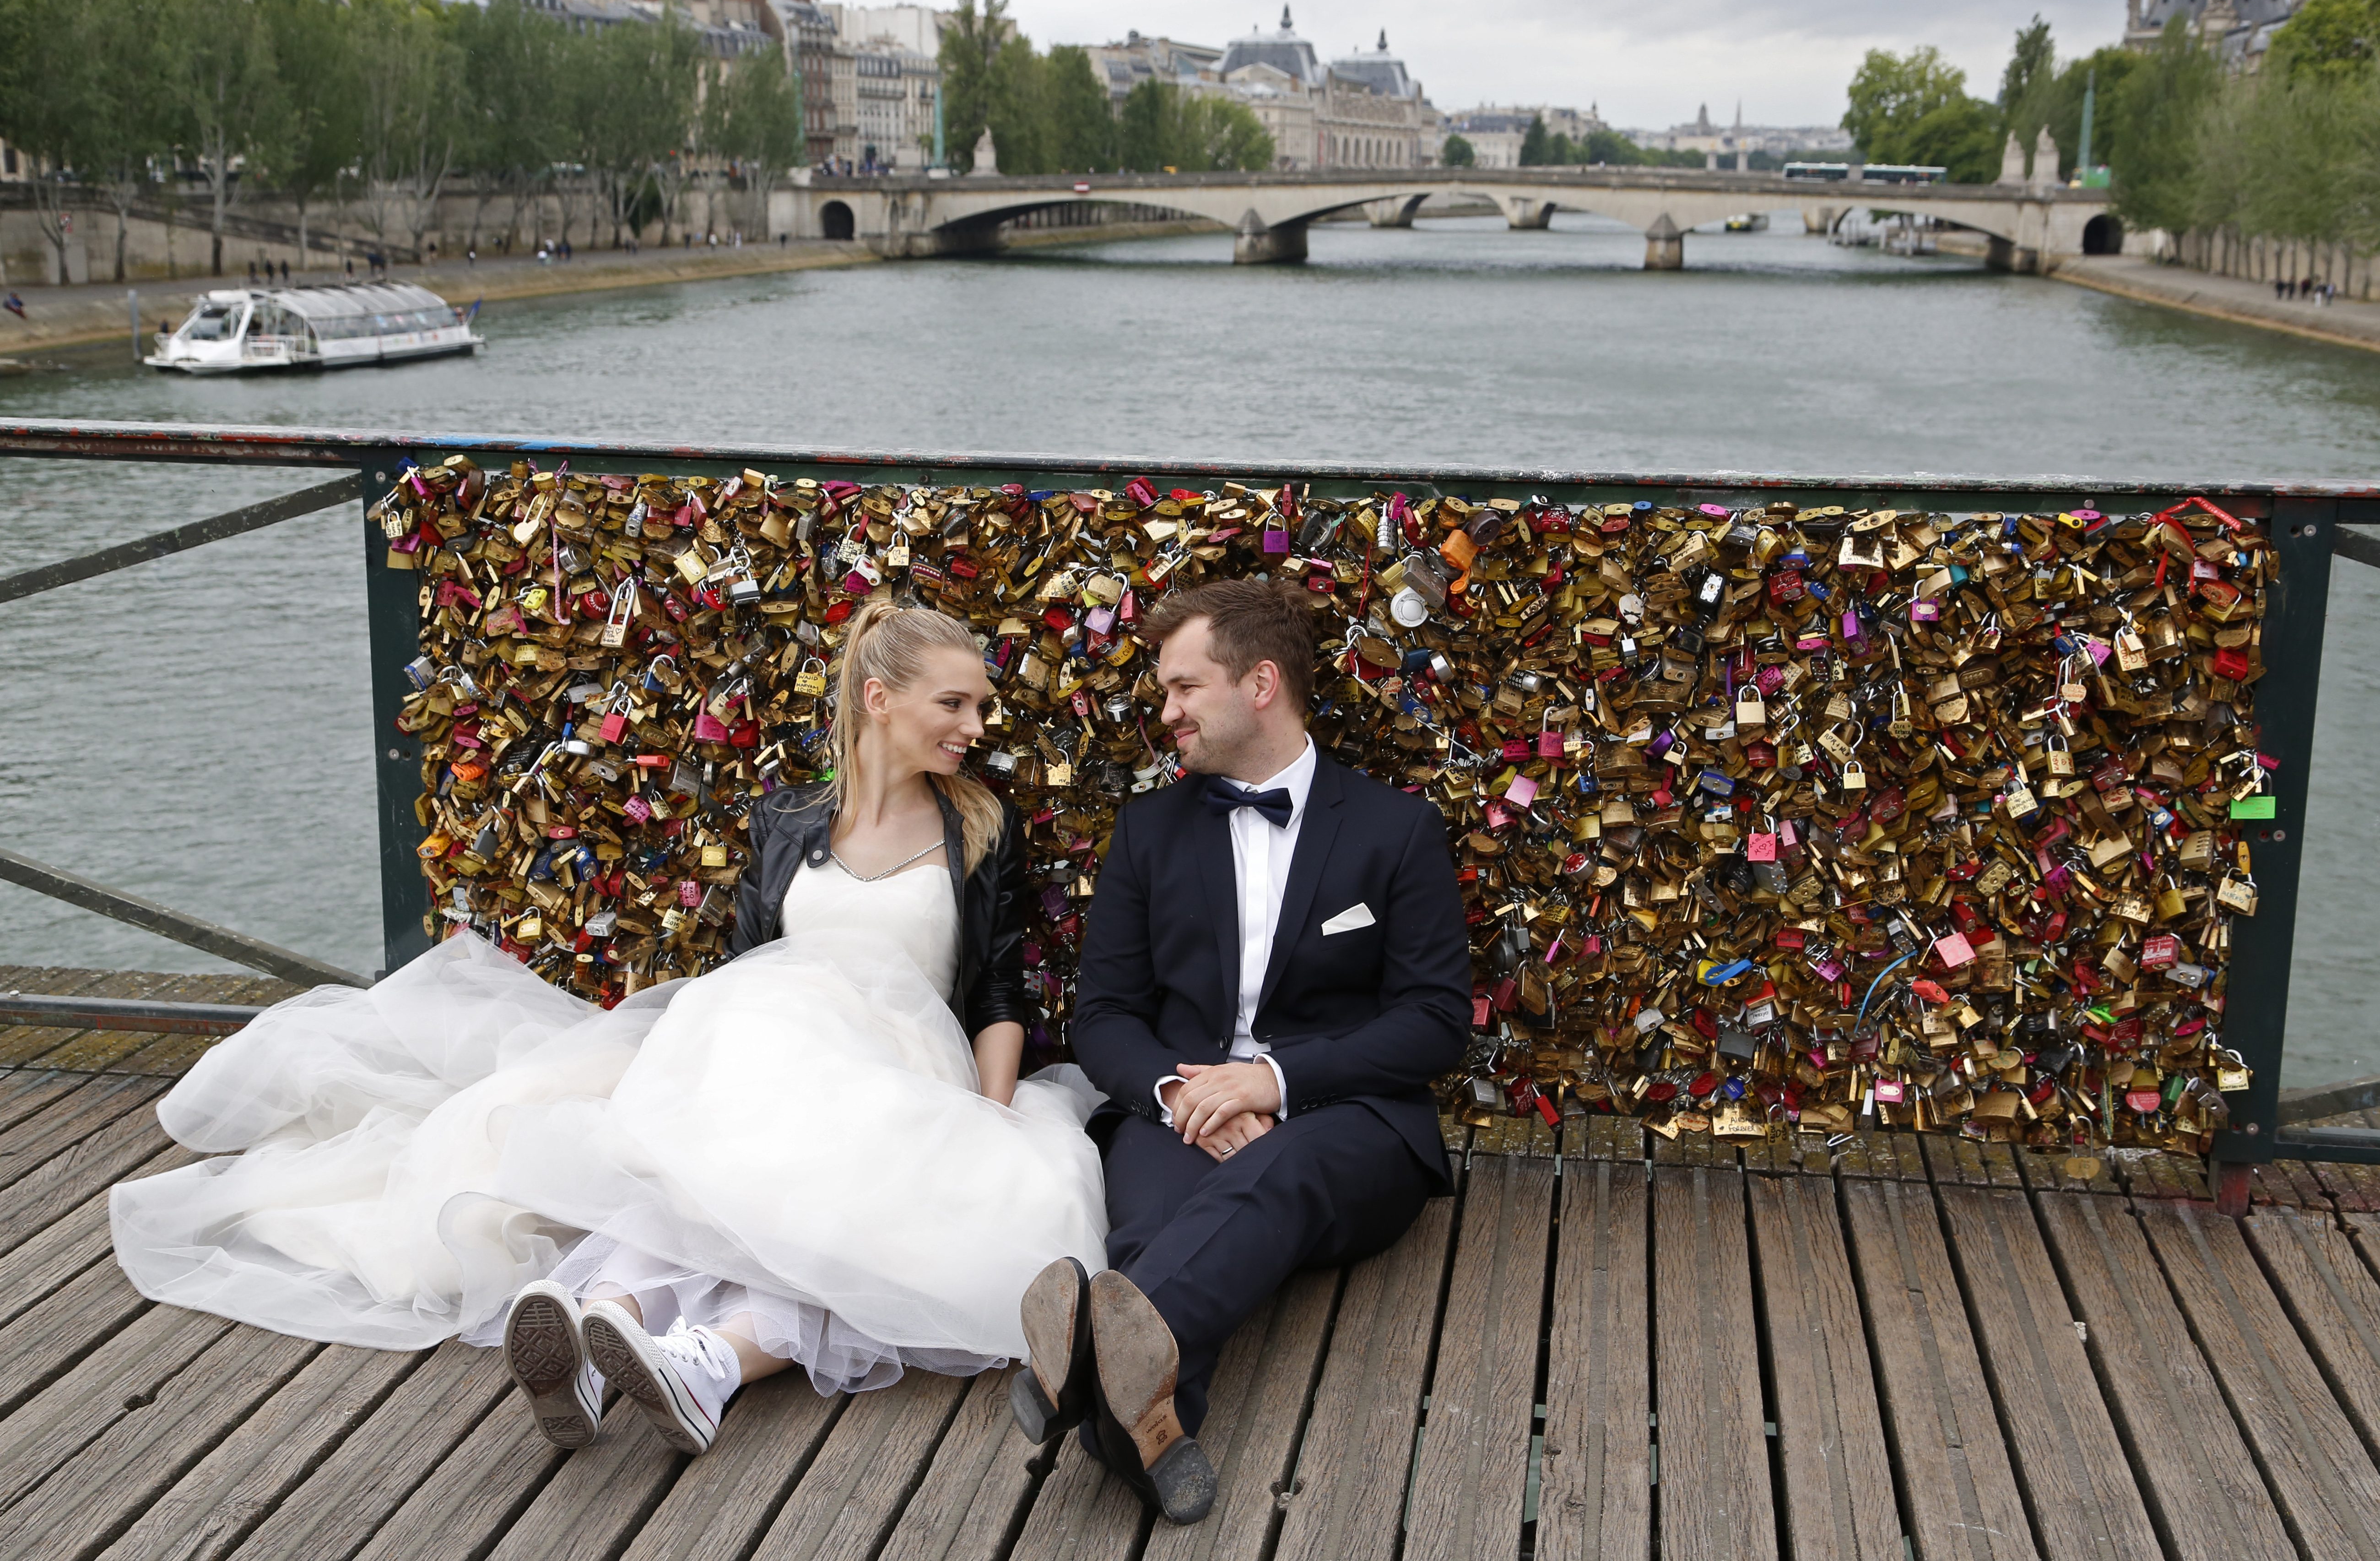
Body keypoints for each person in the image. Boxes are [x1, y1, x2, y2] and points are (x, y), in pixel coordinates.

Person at [112, 602, 1107, 1458]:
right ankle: (613, 1331)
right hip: (767, 1047)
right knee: (709, 1158)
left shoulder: (976, 828)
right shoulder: (785, 824)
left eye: (979, 705)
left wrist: (987, 1111)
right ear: (879, 700)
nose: (977, 724)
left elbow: (998, 993)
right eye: (955, 703)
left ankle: (699, 1360)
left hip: (900, 1071)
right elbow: (748, 973)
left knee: (848, 1208)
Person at [1014, 579, 1469, 1524]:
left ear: (1259, 683)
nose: (1166, 710)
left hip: (1348, 1124)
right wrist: (1182, 1093)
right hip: (1173, 1112)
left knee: (1282, 1166)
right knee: (1145, 1233)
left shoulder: (1395, 829)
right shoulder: (1147, 833)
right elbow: (1102, 1014)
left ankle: (1081, 1372)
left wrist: (1270, 1082)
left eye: (1184, 688)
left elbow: (1434, 1020)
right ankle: (1142, 1431)